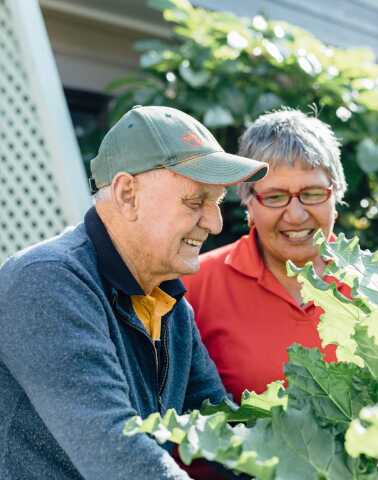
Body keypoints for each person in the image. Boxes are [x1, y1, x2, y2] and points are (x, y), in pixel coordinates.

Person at [0, 105, 268, 479]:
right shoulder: (45, 282)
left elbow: (220, 432)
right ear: (128, 194)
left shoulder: (168, 303)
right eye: (196, 201)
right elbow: (117, 452)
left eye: (218, 202)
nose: (215, 222)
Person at [182, 109, 348, 403]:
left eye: (312, 193)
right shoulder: (194, 286)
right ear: (248, 201)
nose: (296, 216)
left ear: (336, 194)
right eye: (274, 197)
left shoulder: (376, 287)